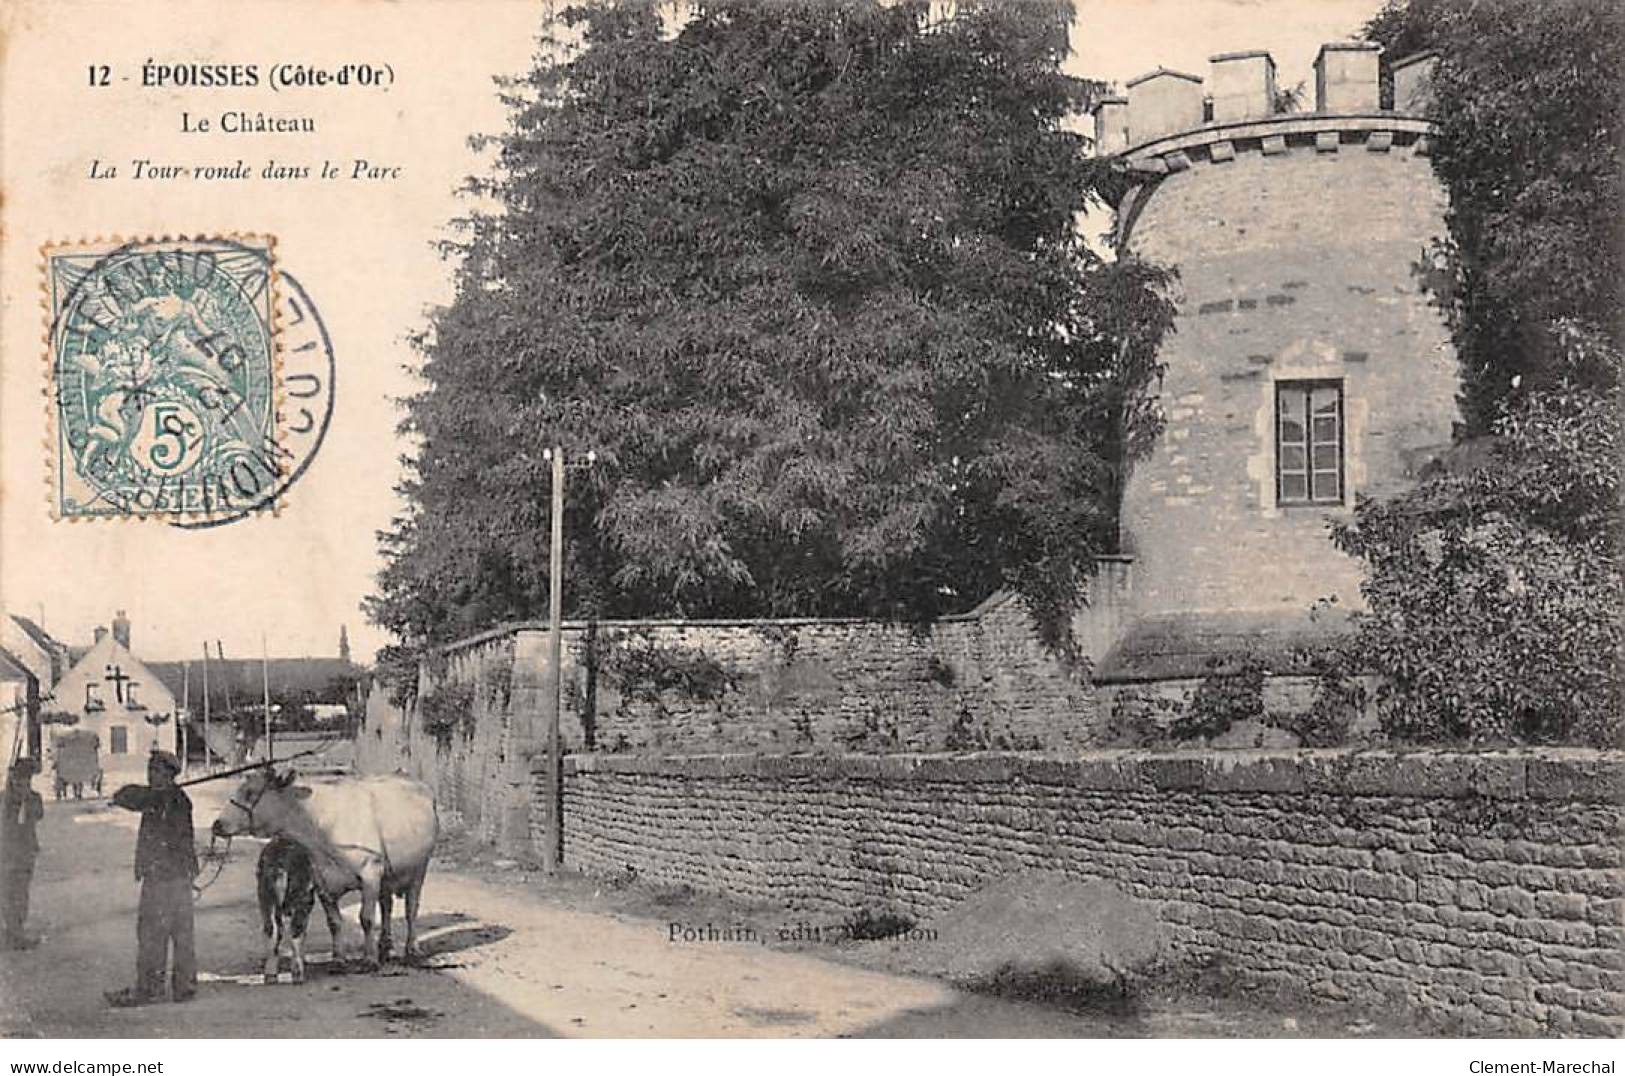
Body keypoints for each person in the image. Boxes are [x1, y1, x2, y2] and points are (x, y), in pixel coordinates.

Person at [105, 751, 198, 1006]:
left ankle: (149, 989)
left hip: (162, 877)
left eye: (156, 771)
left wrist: (120, 797)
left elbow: (129, 796)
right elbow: (133, 795)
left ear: (168, 774)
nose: (150, 775)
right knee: (181, 932)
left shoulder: (165, 799)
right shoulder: (173, 798)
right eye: (150, 771)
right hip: (179, 876)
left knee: (152, 933)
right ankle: (184, 987)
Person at [1, 756, 44, 949]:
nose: (24, 782)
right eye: (19, 778)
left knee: (20, 893)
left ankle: (15, 931)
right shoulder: (4, 798)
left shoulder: (33, 798)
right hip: (7, 851)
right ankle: (12, 933)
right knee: (8, 892)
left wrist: (24, 798)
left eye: (27, 779)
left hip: (25, 852)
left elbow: (38, 814)